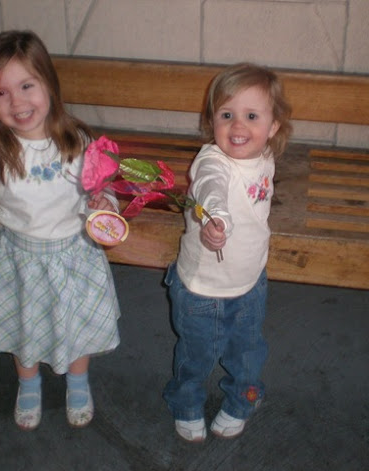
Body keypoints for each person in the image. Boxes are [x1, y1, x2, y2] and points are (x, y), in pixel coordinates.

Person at [0, 30, 121, 430]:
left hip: (73, 255)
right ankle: (28, 383)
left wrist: (104, 205)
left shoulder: (77, 140)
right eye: (1, 93)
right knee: (23, 326)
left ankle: (78, 380)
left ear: (48, 84)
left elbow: (99, 190)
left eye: (26, 86)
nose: (17, 102)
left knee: (76, 325)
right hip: (18, 259)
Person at [163, 63, 292, 442]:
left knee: (247, 354)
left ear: (272, 127)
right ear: (212, 121)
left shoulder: (263, 156)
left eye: (251, 116)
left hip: (250, 282)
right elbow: (210, 186)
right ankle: (186, 403)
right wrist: (217, 217)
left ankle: (243, 400)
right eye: (226, 115)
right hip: (201, 288)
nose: (238, 126)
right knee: (195, 355)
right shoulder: (211, 161)